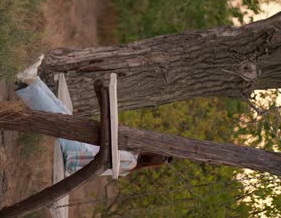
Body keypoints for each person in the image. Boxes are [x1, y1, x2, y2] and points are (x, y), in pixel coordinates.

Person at [15, 57, 170, 177]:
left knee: (62, 118)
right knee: (64, 113)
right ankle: (31, 80)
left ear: (151, 153)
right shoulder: (132, 158)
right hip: (81, 148)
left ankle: (28, 83)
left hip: (77, 155)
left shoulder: (130, 161)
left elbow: (100, 155)